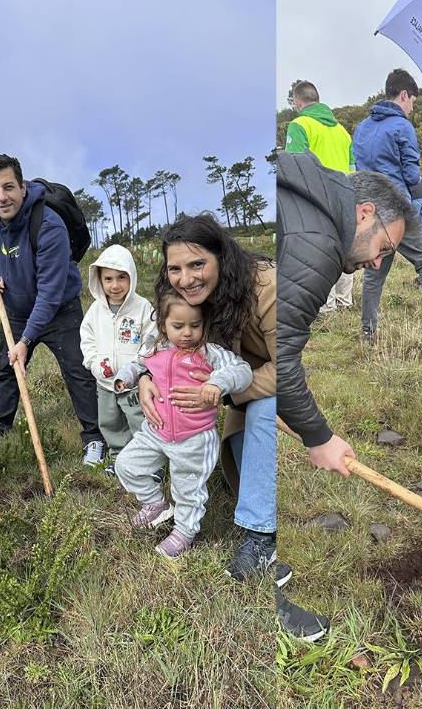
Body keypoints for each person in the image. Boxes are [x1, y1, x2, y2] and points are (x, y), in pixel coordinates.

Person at [274, 150, 422, 640]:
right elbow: (280, 359)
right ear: (364, 213)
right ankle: (258, 581)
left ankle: (254, 551)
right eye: (383, 246)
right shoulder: (315, 247)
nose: (378, 261)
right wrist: (318, 436)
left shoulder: (311, 190)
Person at [146, 215, 281, 579]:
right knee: (243, 464)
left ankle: (260, 536)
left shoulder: (268, 288)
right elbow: (162, 341)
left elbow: (288, 366)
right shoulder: (188, 296)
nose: (185, 278)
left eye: (197, 264)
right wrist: (145, 376)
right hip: (237, 388)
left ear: (221, 256)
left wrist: (222, 392)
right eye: (175, 268)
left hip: (273, 388)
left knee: (265, 413)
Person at [0, 154, 105, 464]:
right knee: (8, 368)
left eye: (8, 187)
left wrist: (26, 341)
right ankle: (0, 427)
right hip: (14, 309)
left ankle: (94, 438)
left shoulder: (49, 226)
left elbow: (50, 294)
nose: (2, 197)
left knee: (78, 370)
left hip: (60, 310)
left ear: (23, 187)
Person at [113, 293, 252, 558]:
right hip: (155, 431)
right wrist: (126, 377)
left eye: (195, 325)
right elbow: (137, 363)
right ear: (163, 325)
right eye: (178, 326)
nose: (187, 333)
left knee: (187, 488)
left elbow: (242, 371)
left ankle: (184, 532)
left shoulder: (209, 353)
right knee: (127, 464)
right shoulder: (155, 347)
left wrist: (217, 383)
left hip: (194, 438)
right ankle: (155, 504)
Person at [350, 69, 422, 339]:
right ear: (404, 95)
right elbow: (411, 174)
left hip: (370, 210)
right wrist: (419, 180)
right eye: (413, 101)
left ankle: (368, 331)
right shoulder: (402, 127)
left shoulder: (361, 127)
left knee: (375, 273)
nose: (412, 108)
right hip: (396, 208)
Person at [79, 244, 157, 468]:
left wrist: (137, 368)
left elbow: (151, 341)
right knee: (110, 422)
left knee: (139, 421)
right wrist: (94, 363)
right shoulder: (95, 311)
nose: (115, 286)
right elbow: (88, 340)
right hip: (104, 383)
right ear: (99, 280)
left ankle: (148, 462)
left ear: (131, 276)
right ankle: (118, 458)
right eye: (108, 279)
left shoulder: (142, 308)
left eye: (121, 278)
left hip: (133, 384)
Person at [285, 80, 358, 315]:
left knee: (320, 252)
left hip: (317, 199)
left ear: (297, 102)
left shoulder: (299, 125)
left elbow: (293, 167)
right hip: (345, 196)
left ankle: (324, 305)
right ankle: (344, 302)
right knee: (344, 249)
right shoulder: (343, 131)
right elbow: (352, 167)